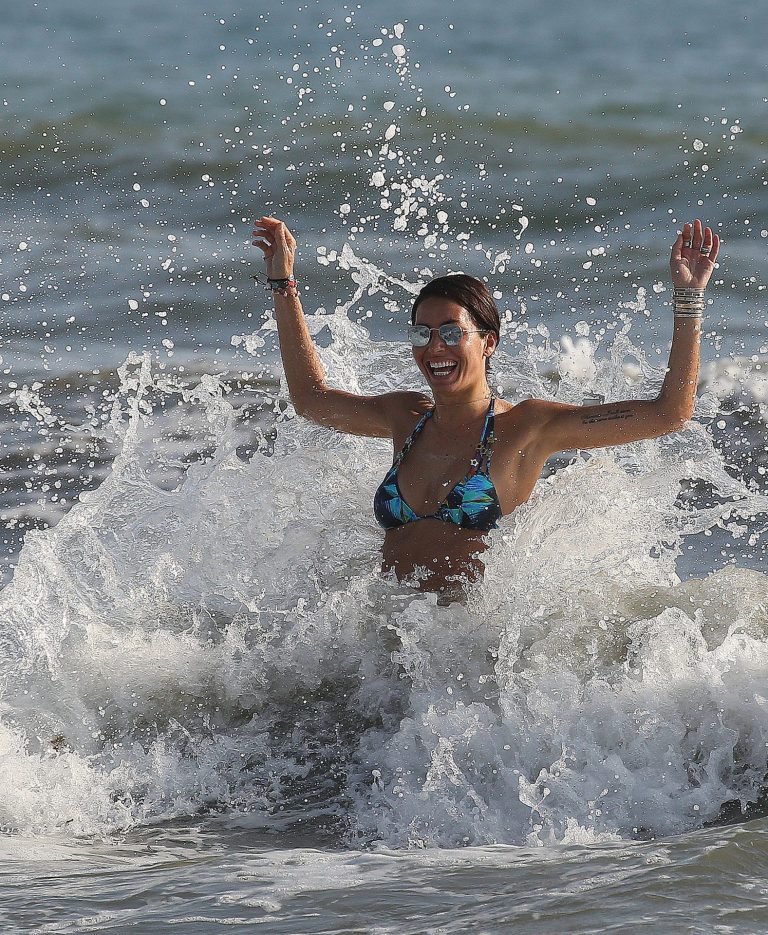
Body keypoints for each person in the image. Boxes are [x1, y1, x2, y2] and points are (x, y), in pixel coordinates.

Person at [252, 216, 719, 594]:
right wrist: (283, 282)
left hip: (467, 662)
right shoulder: (405, 418)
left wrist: (688, 299)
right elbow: (312, 400)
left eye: (453, 333)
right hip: (386, 652)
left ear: (488, 342)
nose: (436, 348)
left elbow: (669, 414)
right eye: (423, 334)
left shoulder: (527, 427)